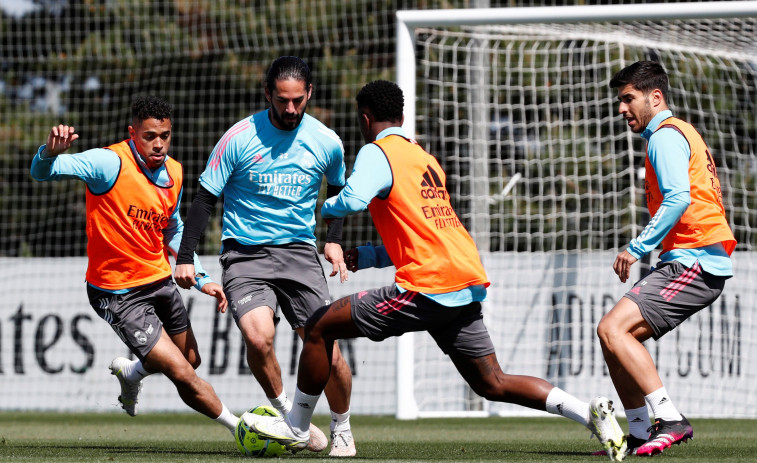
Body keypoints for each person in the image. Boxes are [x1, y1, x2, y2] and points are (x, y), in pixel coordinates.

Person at [246, 79, 627, 461]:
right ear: (402, 116)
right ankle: (588, 414)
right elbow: (421, 235)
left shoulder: (378, 152)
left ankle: (296, 426)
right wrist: (366, 255)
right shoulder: (424, 158)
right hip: (461, 278)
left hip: (426, 286)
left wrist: (322, 210)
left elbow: (353, 199)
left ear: (365, 119)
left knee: (317, 327)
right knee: (492, 382)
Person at [174, 56, 355, 457]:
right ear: (267, 93)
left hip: (299, 254)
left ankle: (341, 425)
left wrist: (334, 238)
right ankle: (289, 417)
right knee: (258, 338)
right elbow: (205, 197)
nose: (290, 109)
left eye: (297, 101)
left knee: (326, 346)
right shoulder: (238, 137)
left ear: (309, 94)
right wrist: (185, 255)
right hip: (244, 254)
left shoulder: (326, 141)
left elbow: (339, 192)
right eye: (282, 100)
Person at [29, 95, 240, 435]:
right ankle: (241, 429)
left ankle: (132, 373)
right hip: (117, 292)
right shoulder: (108, 163)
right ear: (133, 133)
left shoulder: (174, 171)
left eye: (165, 136)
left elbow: (172, 227)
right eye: (149, 136)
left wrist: (201, 278)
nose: (159, 144)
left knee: (191, 361)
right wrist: (49, 152)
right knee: (183, 374)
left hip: (159, 281)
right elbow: (41, 173)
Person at [597, 60, 736, 457]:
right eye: (619, 100)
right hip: (690, 259)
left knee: (611, 329)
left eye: (628, 99)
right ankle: (639, 433)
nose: (621, 109)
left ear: (654, 97)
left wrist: (635, 247)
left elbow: (679, 198)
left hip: (697, 261)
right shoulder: (678, 132)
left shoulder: (664, 136)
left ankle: (669, 419)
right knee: (615, 341)